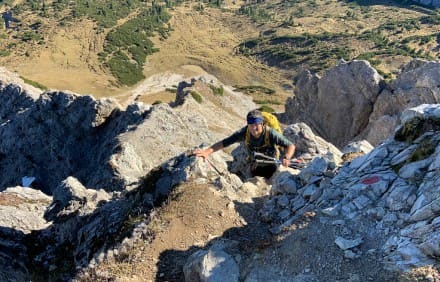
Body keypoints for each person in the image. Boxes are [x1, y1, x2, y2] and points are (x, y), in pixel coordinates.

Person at [194, 109, 296, 178]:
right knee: (254, 179)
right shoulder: (244, 132)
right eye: (251, 125)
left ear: (262, 124)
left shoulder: (271, 133)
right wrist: (207, 152)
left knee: (269, 180)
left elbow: (290, 145)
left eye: (256, 125)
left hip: (272, 163)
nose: (253, 128)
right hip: (255, 163)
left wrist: (286, 157)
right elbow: (225, 142)